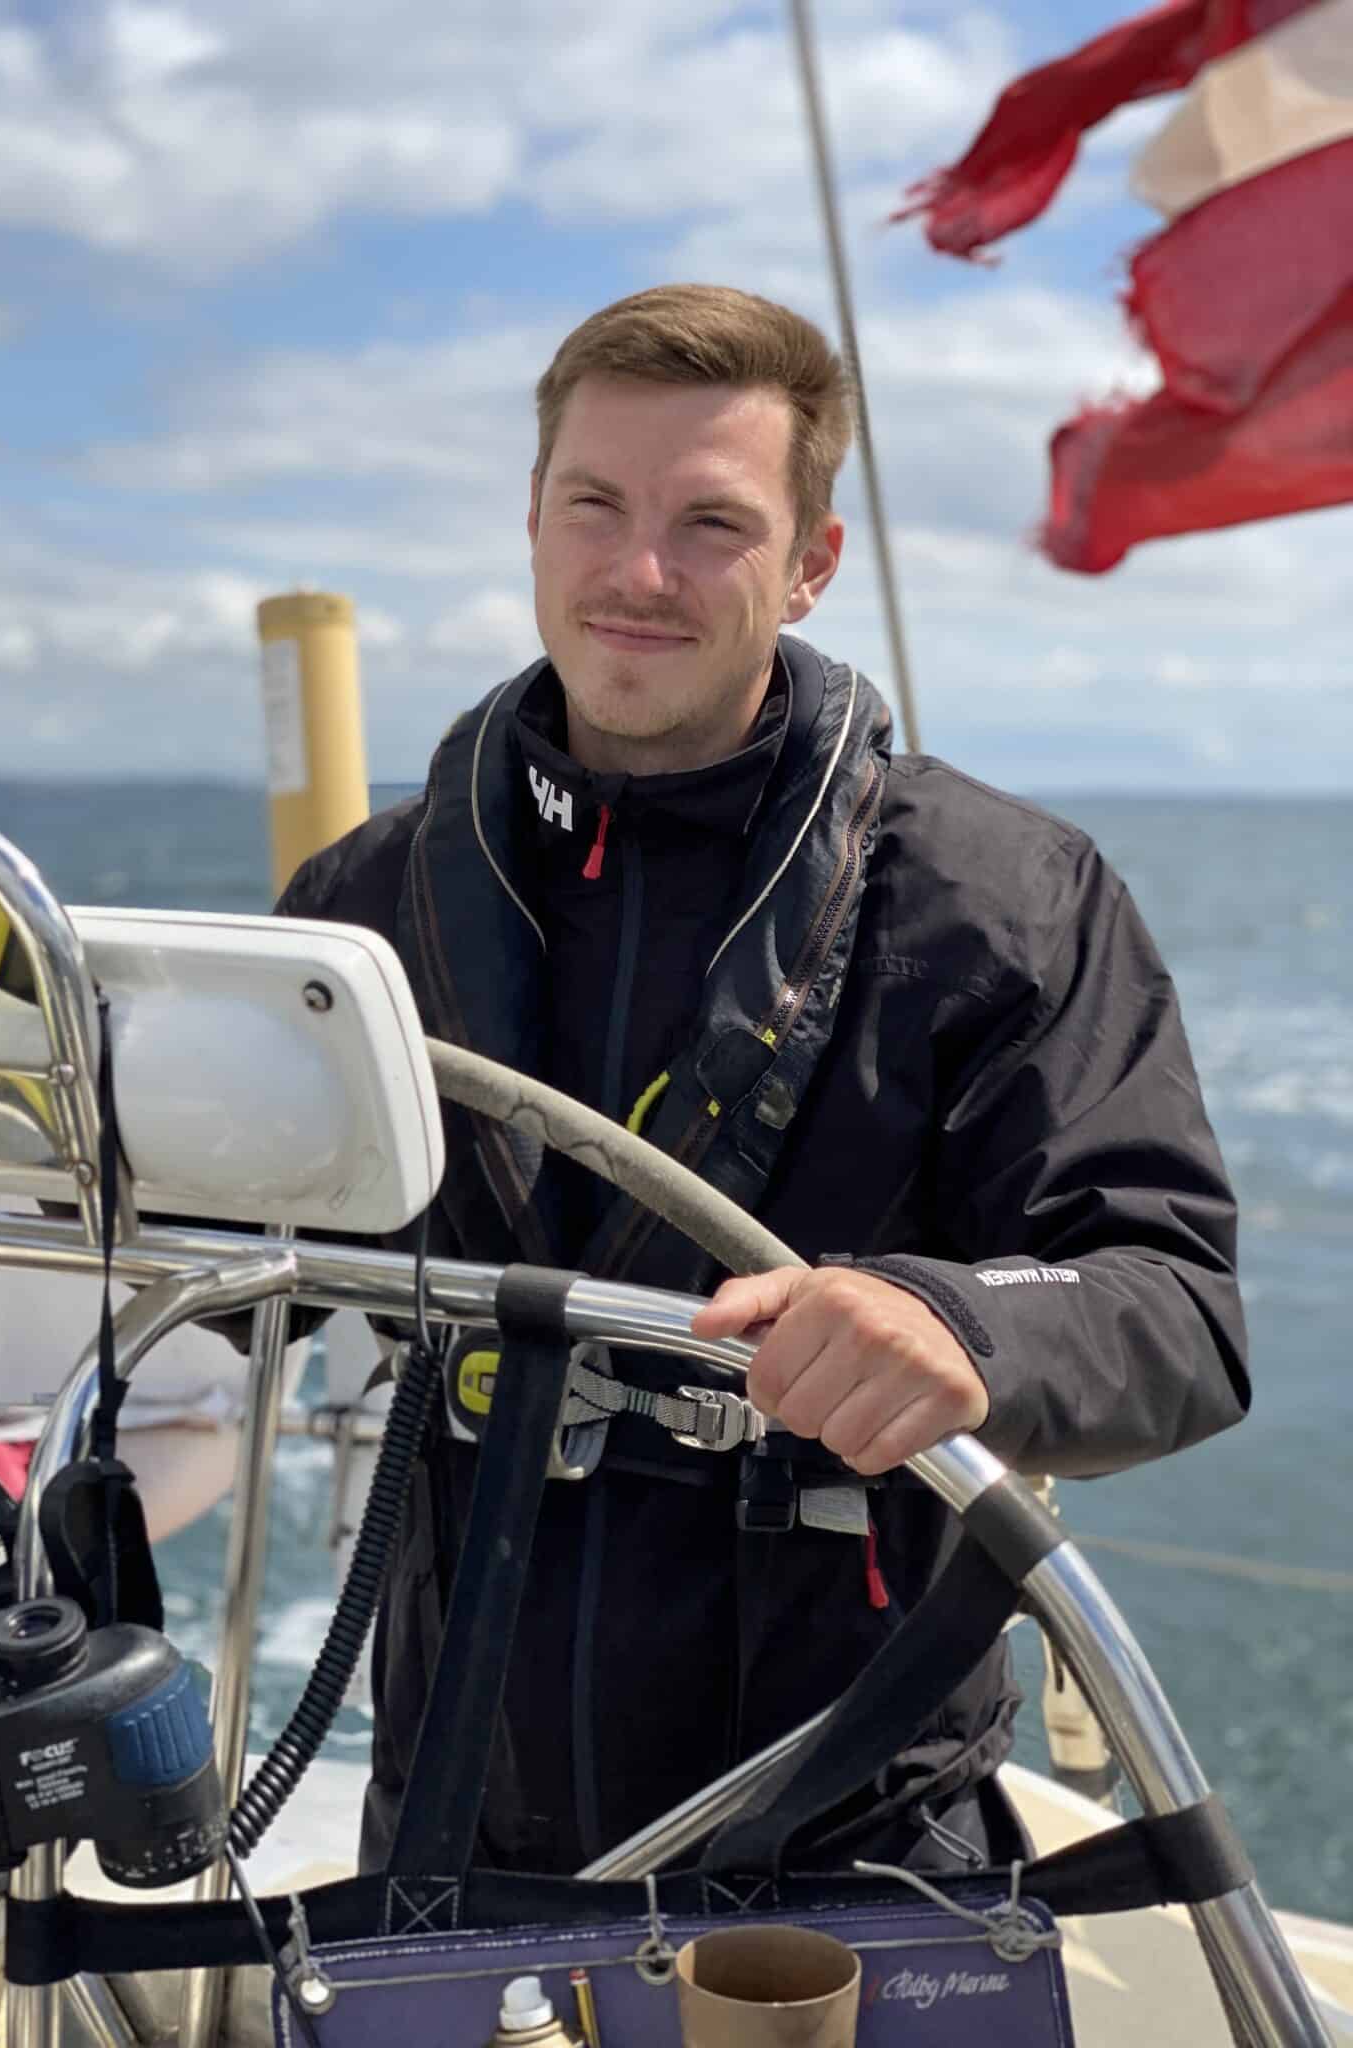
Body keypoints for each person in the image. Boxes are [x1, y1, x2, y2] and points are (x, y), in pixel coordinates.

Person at [276, 284, 1248, 1879]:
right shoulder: (362, 906)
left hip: (853, 1839)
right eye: (595, 506)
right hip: (447, 1835)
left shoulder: (1002, 901)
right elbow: (197, 1251)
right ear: (533, 521)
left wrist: (957, 1322)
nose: (638, 572)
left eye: (712, 524)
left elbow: (1175, 1307)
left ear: (811, 564)